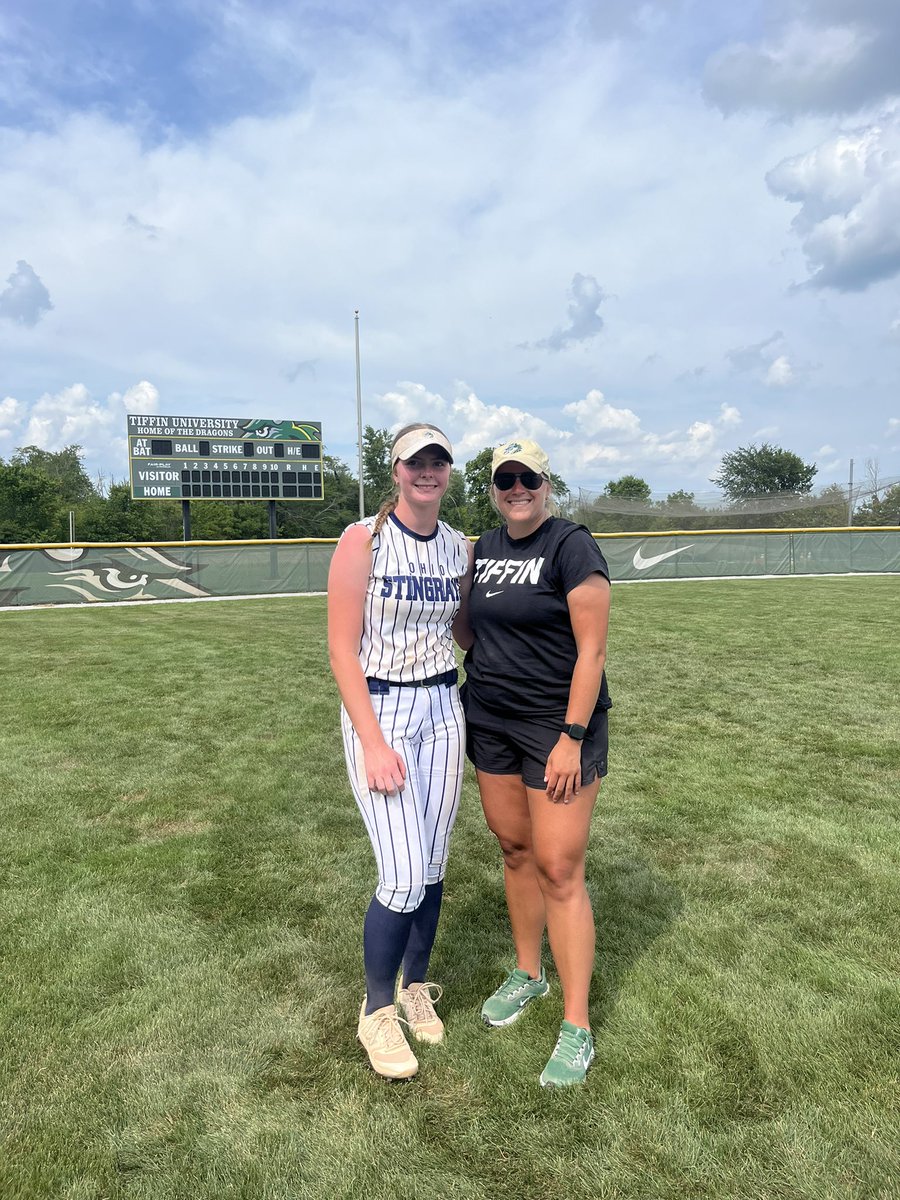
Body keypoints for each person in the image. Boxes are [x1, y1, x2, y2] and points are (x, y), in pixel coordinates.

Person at [458, 437, 611, 1088]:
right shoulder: (482, 550)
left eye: (529, 478)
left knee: (558, 867)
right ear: (492, 488)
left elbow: (592, 652)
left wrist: (572, 735)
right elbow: (466, 628)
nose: (516, 489)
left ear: (547, 484)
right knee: (515, 850)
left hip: (556, 727)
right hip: (490, 718)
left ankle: (577, 1026)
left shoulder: (571, 545)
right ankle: (528, 974)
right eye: (504, 480)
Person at [327, 423, 473, 1080]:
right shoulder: (363, 539)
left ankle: (416, 986)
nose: (427, 471)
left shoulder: (455, 548)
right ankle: (376, 1011)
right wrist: (373, 740)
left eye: (438, 461)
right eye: (416, 461)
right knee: (404, 874)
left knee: (434, 865)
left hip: (444, 706)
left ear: (448, 472)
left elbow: (463, 629)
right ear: (396, 470)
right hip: (380, 708)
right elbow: (340, 649)